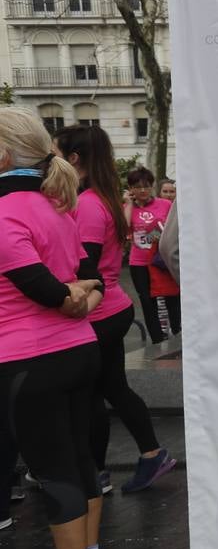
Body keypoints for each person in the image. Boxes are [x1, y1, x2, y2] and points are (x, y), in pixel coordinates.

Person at [0, 107, 106, 549]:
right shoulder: (56, 206)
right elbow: (92, 281)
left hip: (28, 360)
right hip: (78, 349)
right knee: (80, 461)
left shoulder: (5, 212)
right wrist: (79, 296)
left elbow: (48, 292)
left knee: (54, 468)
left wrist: (72, 295)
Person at [54, 126, 176, 494]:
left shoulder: (89, 204)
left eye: (56, 153)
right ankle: (147, 455)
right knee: (112, 388)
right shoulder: (98, 197)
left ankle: (97, 473)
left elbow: (86, 265)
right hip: (109, 309)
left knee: (94, 393)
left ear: (74, 159)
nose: (51, 160)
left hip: (100, 311)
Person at [124, 167, 173, 343]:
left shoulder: (165, 204)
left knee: (169, 297)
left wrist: (154, 234)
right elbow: (123, 230)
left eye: (146, 186)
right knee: (147, 301)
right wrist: (128, 204)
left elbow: (171, 230)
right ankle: (157, 340)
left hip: (161, 261)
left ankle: (176, 335)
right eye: (137, 187)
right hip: (138, 263)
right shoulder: (126, 207)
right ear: (131, 188)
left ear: (152, 187)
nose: (142, 190)